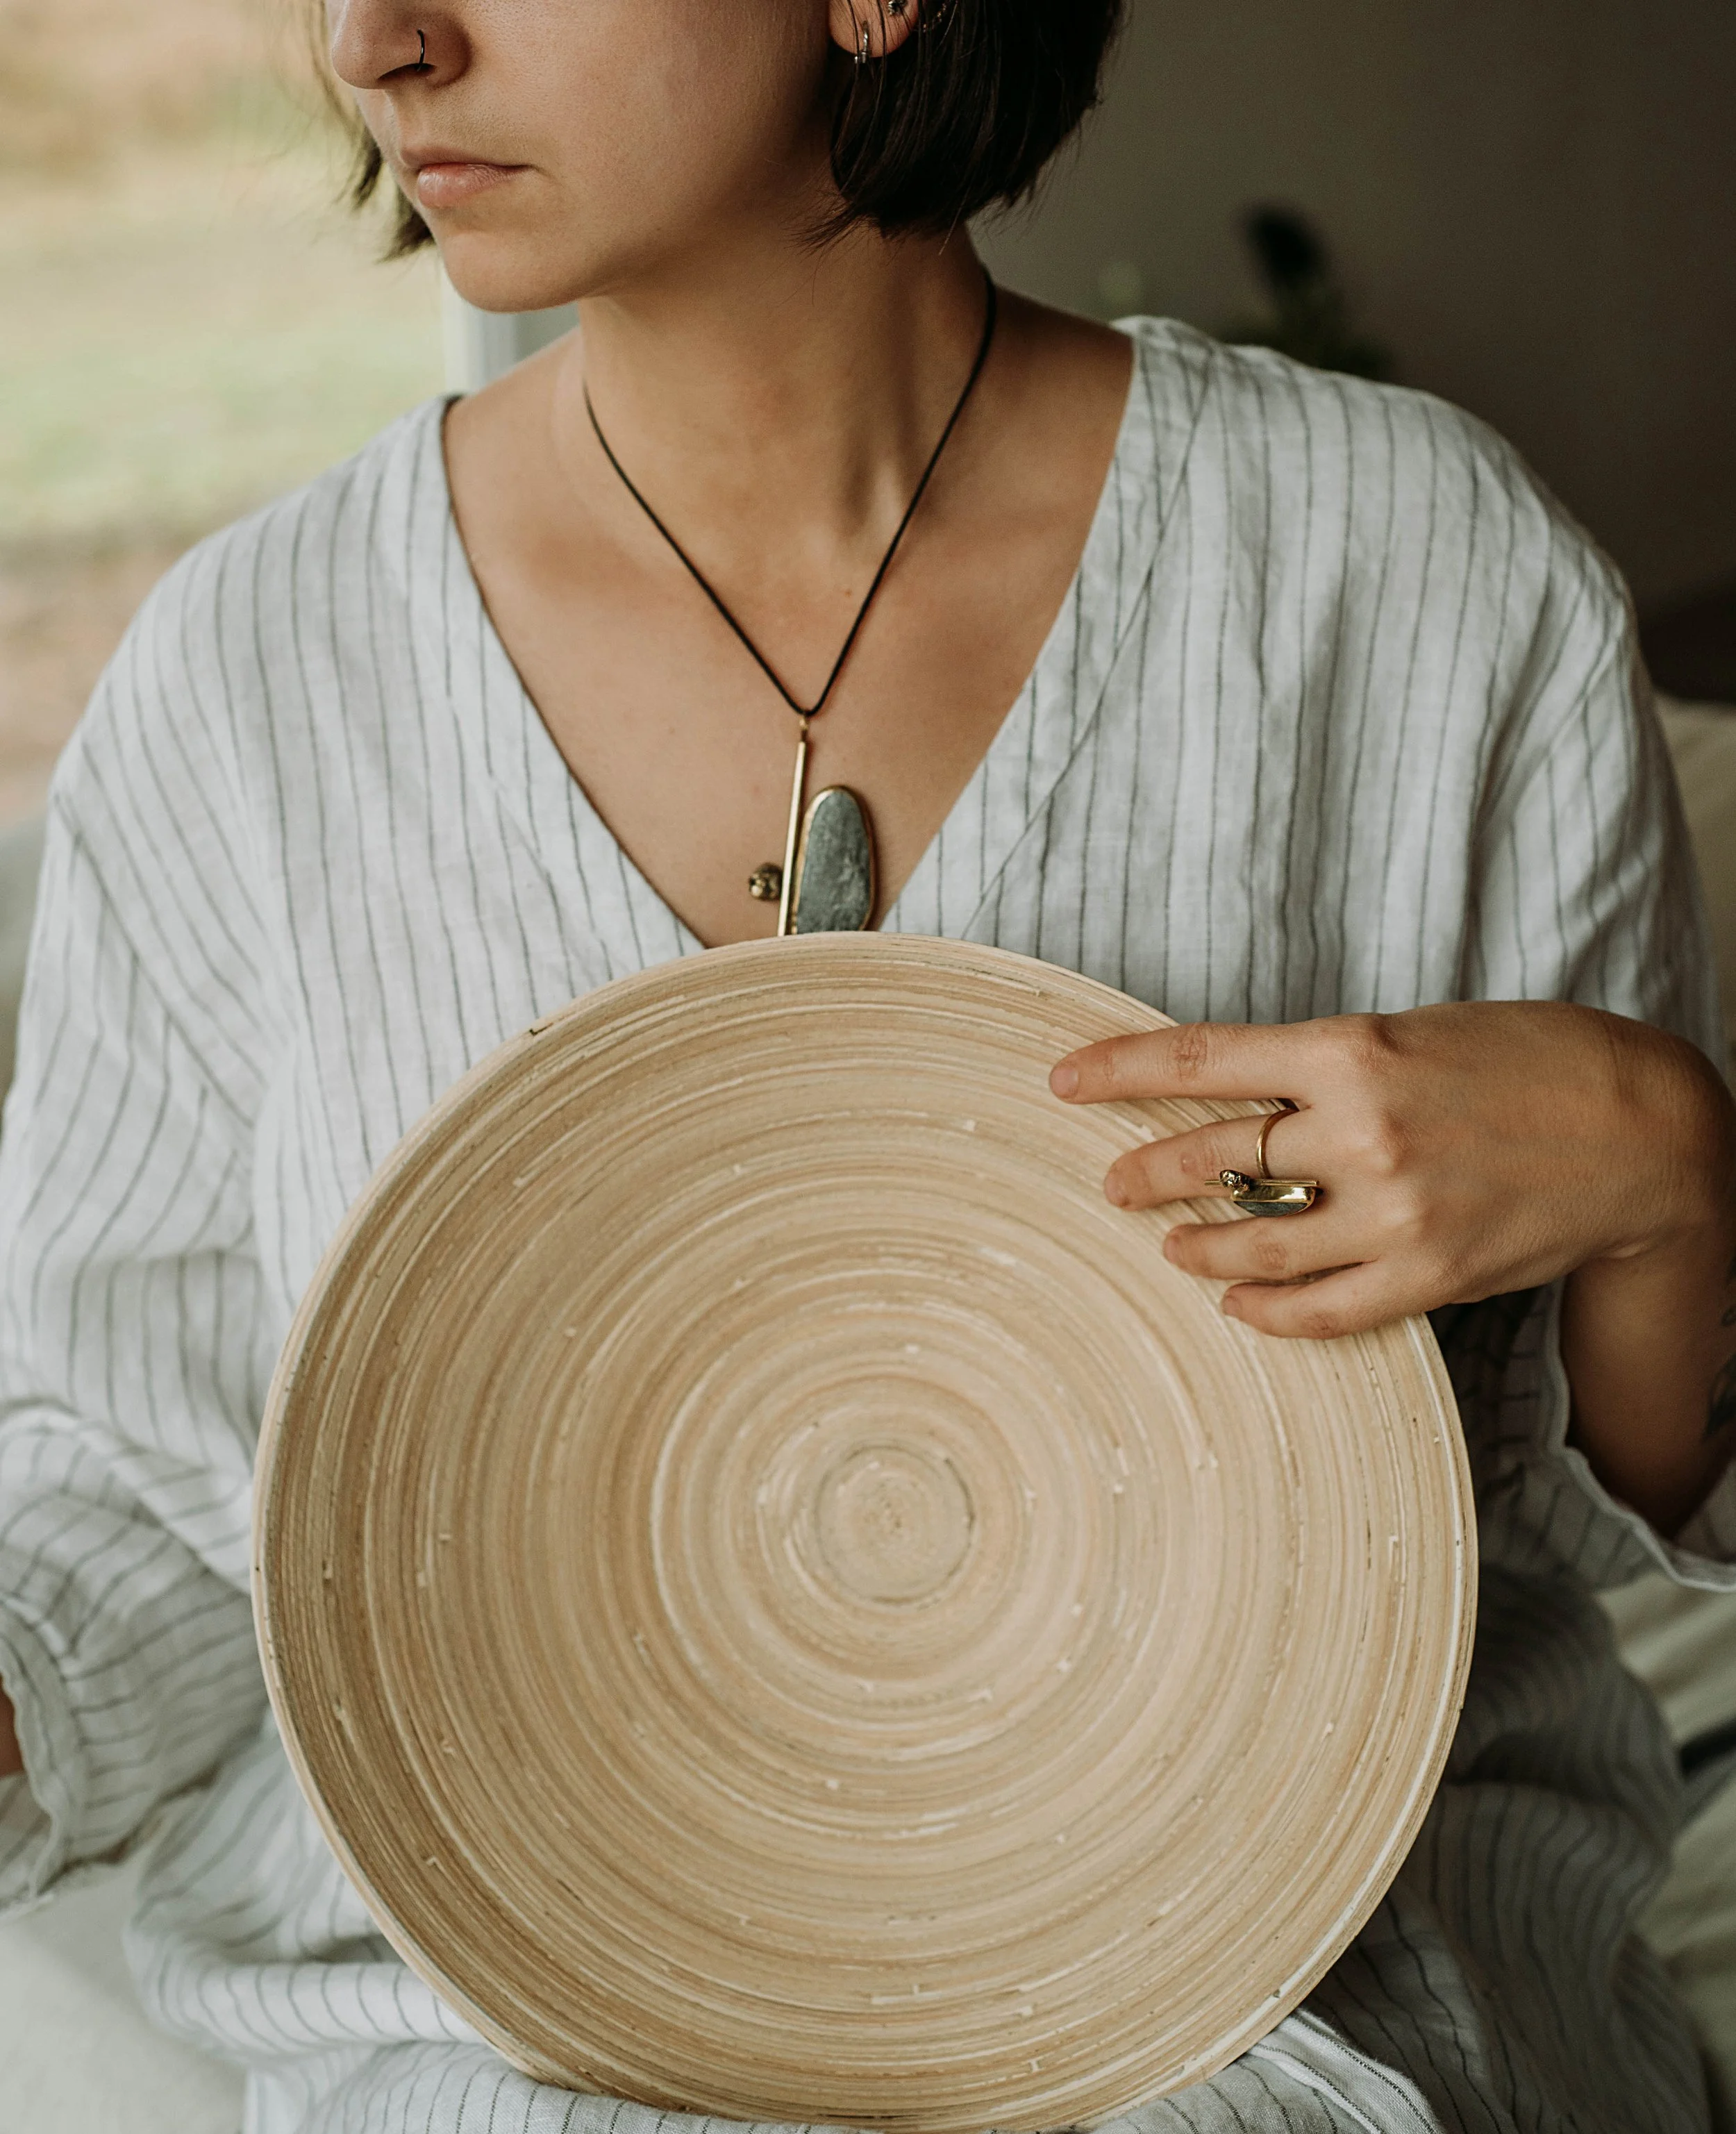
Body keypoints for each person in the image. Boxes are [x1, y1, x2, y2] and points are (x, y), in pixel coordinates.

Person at [0, 1, 1733, 2128]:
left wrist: (1665, 1165)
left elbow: (1572, 1517)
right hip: (500, 2033)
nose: (378, 42)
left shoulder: (1417, 575)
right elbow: (163, 1494)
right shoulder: (252, 676)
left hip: (1277, 1997)